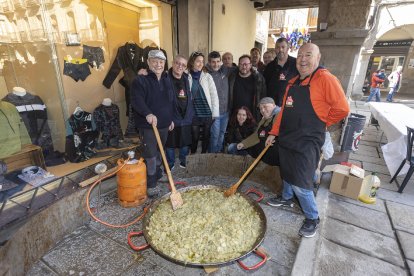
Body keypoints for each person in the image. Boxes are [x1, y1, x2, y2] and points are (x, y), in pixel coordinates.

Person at [265, 43, 350, 238]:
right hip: (287, 137)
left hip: (308, 141)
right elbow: (284, 112)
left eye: (308, 55)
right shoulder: (293, 82)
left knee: (301, 183)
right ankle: (286, 198)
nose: (303, 59)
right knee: (287, 171)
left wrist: (322, 122)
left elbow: (342, 109)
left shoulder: (326, 79)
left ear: (318, 58)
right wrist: (273, 132)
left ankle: (312, 217)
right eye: (300, 55)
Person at [130, 50, 174, 197]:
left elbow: (170, 101)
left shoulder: (167, 79)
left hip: (164, 124)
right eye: (154, 61)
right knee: (150, 154)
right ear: (148, 62)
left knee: (161, 151)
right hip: (148, 125)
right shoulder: (140, 80)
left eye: (161, 62)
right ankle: (151, 184)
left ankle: (158, 175)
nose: (158, 64)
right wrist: (147, 113)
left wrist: (170, 119)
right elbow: (137, 100)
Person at [165, 55, 194, 169]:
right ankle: (170, 163)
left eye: (183, 65)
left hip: (185, 115)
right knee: (170, 143)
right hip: (171, 116)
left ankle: (183, 161)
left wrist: (190, 115)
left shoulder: (187, 78)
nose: (180, 66)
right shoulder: (165, 77)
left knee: (185, 141)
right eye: (177, 63)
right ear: (172, 63)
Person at [188, 51, 219, 154]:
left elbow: (214, 95)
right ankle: (192, 155)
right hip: (194, 112)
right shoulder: (186, 76)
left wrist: (215, 113)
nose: (201, 64)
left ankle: (203, 156)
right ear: (192, 62)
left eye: (202, 61)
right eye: (198, 61)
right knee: (194, 136)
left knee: (206, 136)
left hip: (207, 112)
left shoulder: (207, 76)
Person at [236, 97, 280, 164]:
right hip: (264, 154)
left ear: (273, 105)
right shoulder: (264, 119)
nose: (262, 110)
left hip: (276, 155)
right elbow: (256, 135)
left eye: (265, 107)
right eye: (260, 108)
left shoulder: (279, 115)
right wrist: (243, 143)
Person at [206, 51, 235, 153]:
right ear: (209, 62)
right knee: (215, 135)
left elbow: (237, 68)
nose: (216, 64)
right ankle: (212, 156)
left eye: (218, 61)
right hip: (215, 113)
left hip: (225, 111)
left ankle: (217, 153)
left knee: (222, 134)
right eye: (213, 62)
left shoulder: (225, 71)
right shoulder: (206, 75)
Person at [229, 55, 266, 122]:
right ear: (238, 65)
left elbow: (263, 96)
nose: (244, 66)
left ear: (251, 65)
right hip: (235, 115)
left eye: (246, 64)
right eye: (241, 64)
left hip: (252, 115)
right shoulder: (232, 77)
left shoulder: (259, 79)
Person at [263, 37, 298, 107]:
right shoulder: (269, 67)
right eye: (278, 47)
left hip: (291, 105)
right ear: (275, 49)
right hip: (273, 107)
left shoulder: (296, 64)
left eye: (283, 47)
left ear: (288, 48)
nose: (280, 50)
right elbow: (264, 86)